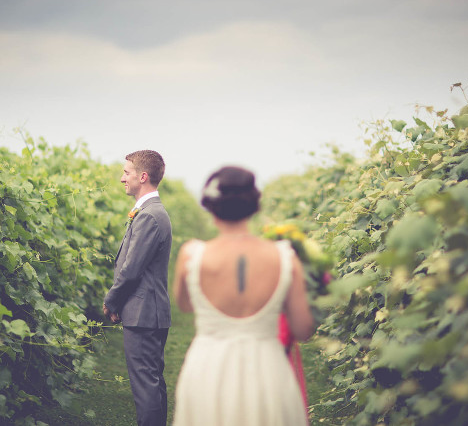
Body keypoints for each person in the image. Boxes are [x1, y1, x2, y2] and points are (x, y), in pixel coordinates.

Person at [172, 166, 315, 426]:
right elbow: (303, 330)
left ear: (210, 206)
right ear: (254, 206)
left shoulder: (191, 255)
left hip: (208, 368)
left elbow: (184, 304)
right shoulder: (285, 257)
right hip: (267, 369)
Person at [103, 150, 172, 426]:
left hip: (143, 313)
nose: (122, 178)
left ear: (143, 177)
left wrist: (113, 301)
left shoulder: (149, 216)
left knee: (145, 386)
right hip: (149, 311)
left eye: (126, 172)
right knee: (152, 383)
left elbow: (131, 270)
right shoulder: (151, 212)